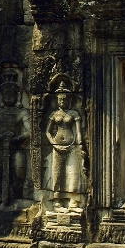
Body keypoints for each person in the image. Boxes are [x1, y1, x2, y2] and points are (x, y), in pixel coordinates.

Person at [0, 78, 30, 206]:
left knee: (18, 174)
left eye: (12, 95)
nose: (9, 98)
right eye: (6, 95)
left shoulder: (22, 112)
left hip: (17, 147)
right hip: (0, 146)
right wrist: (1, 136)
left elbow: (29, 131)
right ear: (2, 97)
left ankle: (16, 197)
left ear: (17, 96)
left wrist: (16, 138)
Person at [46, 78, 85, 208]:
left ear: (69, 100)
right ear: (57, 100)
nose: (62, 101)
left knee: (72, 171)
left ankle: (73, 199)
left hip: (71, 145)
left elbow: (78, 131)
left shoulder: (73, 113)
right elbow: (48, 132)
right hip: (57, 146)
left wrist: (79, 144)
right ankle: (57, 199)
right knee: (57, 172)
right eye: (60, 99)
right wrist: (54, 144)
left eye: (65, 99)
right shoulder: (54, 114)